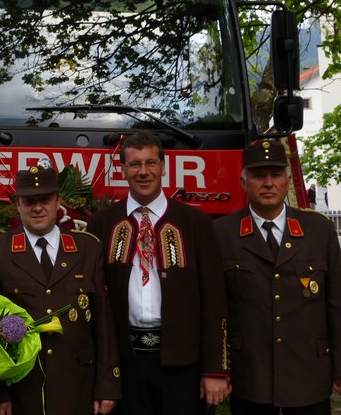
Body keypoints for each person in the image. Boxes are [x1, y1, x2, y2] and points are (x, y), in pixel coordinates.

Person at [86, 131, 229, 415]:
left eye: (151, 163)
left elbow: (214, 299)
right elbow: (94, 302)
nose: (143, 172)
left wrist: (216, 369)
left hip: (183, 366)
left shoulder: (195, 223)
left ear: (163, 167)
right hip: (124, 365)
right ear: (123, 170)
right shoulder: (102, 224)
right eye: (135, 164)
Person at [0, 163, 122, 415]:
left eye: (44, 199)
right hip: (23, 386)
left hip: (78, 384)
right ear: (18, 204)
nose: (37, 208)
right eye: (29, 201)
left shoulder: (88, 248)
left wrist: (108, 385)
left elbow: (104, 322)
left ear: (58, 201)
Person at [214, 139, 341, 415]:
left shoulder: (319, 230)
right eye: (259, 176)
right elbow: (215, 310)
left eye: (276, 175)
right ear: (243, 182)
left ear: (288, 180)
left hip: (309, 374)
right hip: (251, 377)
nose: (268, 183)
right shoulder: (221, 234)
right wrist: (217, 369)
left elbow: (336, 304)